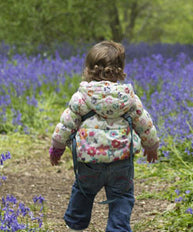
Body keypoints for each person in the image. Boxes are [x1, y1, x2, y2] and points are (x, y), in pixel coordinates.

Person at [49, 40, 160, 232]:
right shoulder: (129, 98)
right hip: (121, 163)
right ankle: (118, 229)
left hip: (89, 162)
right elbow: (145, 124)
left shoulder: (81, 97)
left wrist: (57, 148)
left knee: (83, 191)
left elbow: (66, 125)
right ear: (120, 70)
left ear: (88, 69)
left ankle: (75, 223)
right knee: (122, 197)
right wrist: (151, 146)